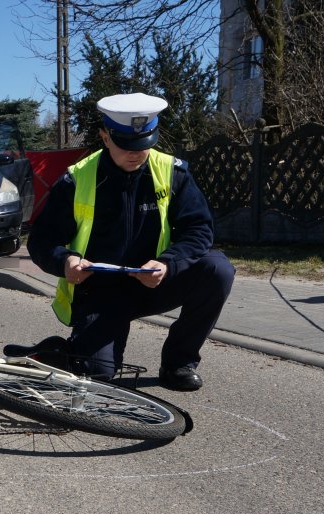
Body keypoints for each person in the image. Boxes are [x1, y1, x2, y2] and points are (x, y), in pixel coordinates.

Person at [27, 93, 235, 391]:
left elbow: (199, 229)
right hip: (100, 291)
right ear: (105, 136)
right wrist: (65, 261)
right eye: (126, 145)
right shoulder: (77, 178)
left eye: (144, 145)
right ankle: (62, 354)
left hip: (152, 282)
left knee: (218, 270)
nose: (136, 153)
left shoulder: (172, 172)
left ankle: (178, 363)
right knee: (96, 379)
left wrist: (168, 263)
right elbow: (43, 239)